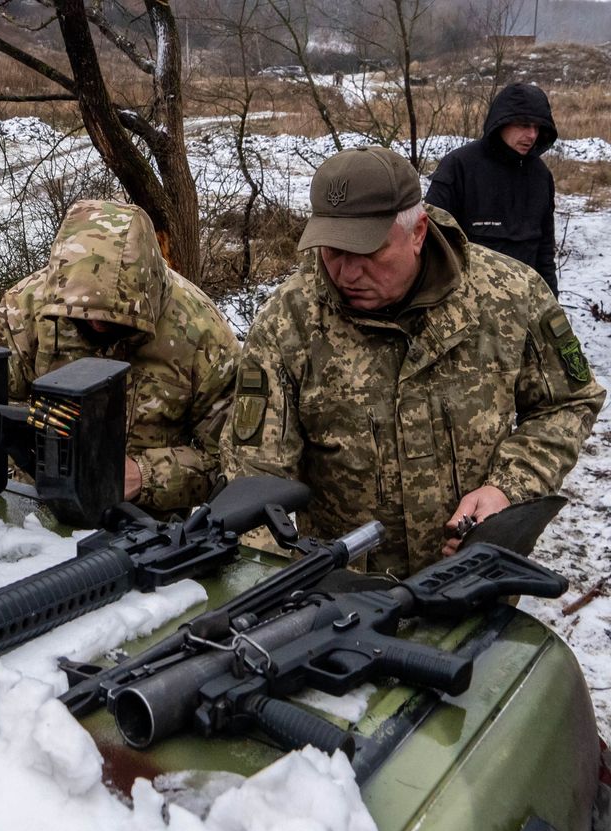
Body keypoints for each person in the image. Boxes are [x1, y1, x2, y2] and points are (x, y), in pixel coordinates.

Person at [223, 146, 604, 578]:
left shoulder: (510, 296)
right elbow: (254, 477)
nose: (346, 274)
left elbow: (568, 401)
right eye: (331, 251)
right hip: (345, 602)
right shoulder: (289, 322)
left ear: (418, 231)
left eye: (367, 252)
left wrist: (508, 488)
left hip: (476, 583)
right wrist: (276, 586)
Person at [0, 199, 240, 513]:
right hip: (38, 512)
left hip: (147, 526)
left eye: (113, 316)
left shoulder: (203, 335)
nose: (95, 323)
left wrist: (143, 476)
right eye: (83, 313)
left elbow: (231, 460)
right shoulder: (28, 307)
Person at [426, 83, 559, 294]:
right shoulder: (459, 167)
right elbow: (431, 244)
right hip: (468, 303)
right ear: (502, 122)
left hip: (526, 301)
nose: (532, 135)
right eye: (524, 125)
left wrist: (551, 303)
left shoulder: (540, 175)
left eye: (537, 127)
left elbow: (544, 251)